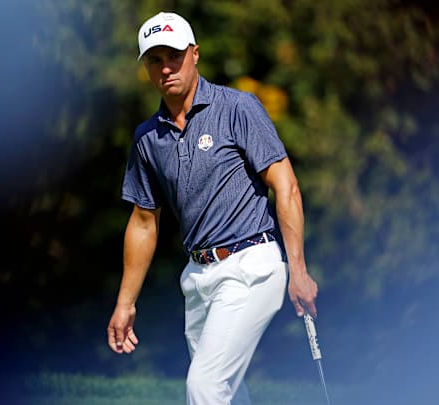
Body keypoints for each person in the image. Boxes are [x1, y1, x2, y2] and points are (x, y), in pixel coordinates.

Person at [106, 11, 319, 405]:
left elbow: (285, 186)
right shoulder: (147, 138)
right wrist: (125, 303)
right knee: (229, 394)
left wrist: (299, 271)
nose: (166, 67)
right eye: (155, 59)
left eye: (174, 55)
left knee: (204, 388)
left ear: (195, 54)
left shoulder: (238, 108)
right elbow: (143, 222)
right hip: (198, 278)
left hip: (251, 266)